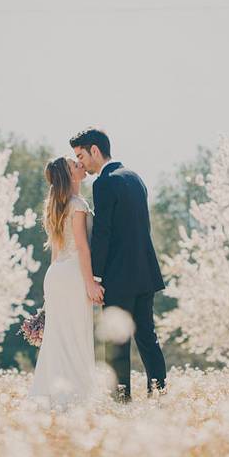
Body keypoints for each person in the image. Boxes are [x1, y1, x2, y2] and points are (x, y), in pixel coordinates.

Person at [70, 128, 167, 403]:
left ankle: (120, 402)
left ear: (95, 151)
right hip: (145, 272)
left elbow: (103, 233)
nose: (82, 163)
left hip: (118, 276)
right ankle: (159, 396)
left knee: (116, 343)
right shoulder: (136, 178)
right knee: (148, 337)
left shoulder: (104, 183)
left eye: (81, 155)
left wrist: (96, 277)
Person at [27, 157, 102, 408]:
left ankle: (53, 395)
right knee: (76, 334)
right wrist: (90, 282)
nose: (80, 164)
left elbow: (56, 250)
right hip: (72, 275)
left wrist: (49, 294)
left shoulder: (55, 205)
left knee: (57, 338)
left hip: (55, 275)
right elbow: (82, 247)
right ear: (70, 176)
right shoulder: (78, 204)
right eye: (74, 165)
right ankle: (76, 396)